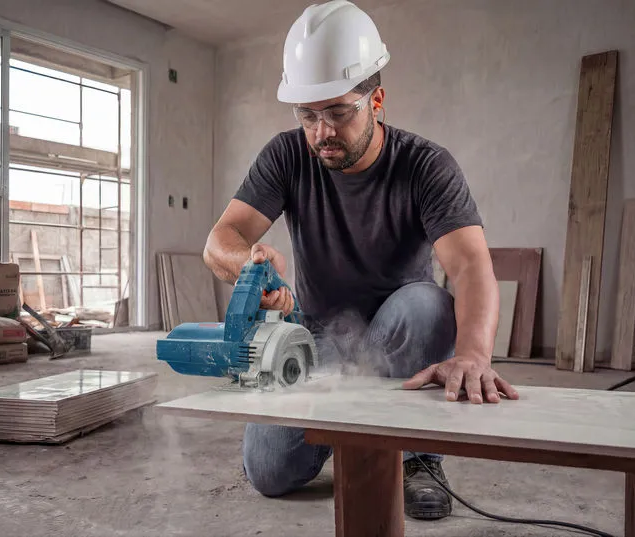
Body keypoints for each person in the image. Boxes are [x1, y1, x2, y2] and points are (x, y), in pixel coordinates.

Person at [202, 0, 519, 522]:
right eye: (308, 116)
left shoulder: (426, 166)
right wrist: (248, 262)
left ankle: (418, 456)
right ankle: (353, 432)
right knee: (268, 472)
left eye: (338, 112)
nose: (322, 132)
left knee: (428, 305)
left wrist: (474, 355)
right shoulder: (286, 155)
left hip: (404, 336)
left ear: (377, 100)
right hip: (321, 337)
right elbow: (221, 238)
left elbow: (470, 268)